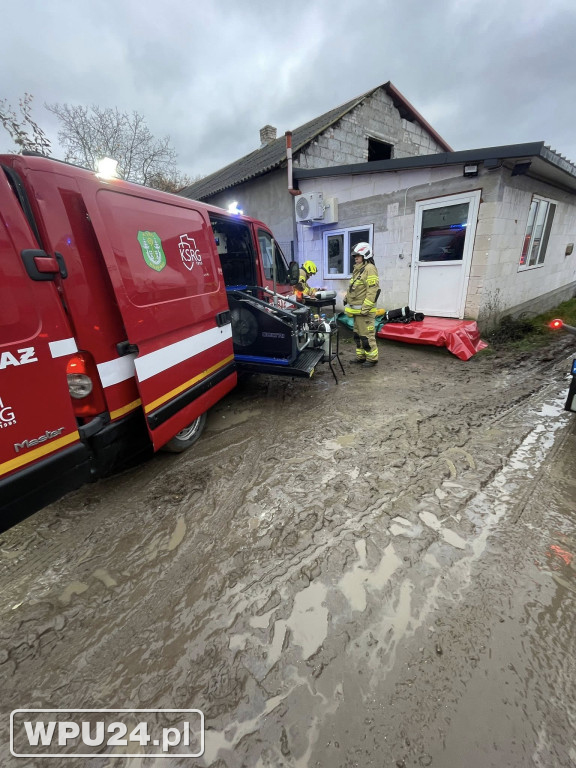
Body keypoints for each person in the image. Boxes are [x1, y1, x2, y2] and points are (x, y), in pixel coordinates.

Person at [343, 242, 380, 366]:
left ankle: (372, 359)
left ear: (365, 255)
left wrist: (366, 308)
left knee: (367, 336)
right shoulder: (358, 269)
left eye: (358, 256)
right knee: (358, 336)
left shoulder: (369, 268)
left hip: (364, 312)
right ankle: (361, 357)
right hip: (357, 312)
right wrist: (347, 298)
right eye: (354, 256)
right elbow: (355, 287)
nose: (355, 258)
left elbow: (372, 290)